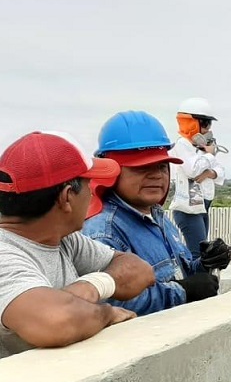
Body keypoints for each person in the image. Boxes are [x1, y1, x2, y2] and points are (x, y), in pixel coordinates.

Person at [0, 131, 155, 358]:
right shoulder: (5, 256)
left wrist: (90, 287)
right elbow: (54, 321)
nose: (92, 193)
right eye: (88, 184)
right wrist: (106, 313)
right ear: (67, 197)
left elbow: (141, 271)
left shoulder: (64, 239)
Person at [84, 111, 229, 315]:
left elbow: (177, 273)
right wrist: (184, 292)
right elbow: (111, 302)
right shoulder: (103, 232)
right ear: (111, 171)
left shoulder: (155, 215)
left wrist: (204, 265)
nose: (156, 175)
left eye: (161, 166)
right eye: (141, 168)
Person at [169, 97, 226, 259]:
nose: (209, 129)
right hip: (189, 209)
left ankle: (200, 281)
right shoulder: (182, 145)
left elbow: (220, 170)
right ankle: (197, 283)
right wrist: (209, 155)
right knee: (199, 255)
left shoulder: (201, 148)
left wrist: (210, 172)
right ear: (194, 123)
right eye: (206, 124)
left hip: (202, 207)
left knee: (202, 252)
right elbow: (192, 170)